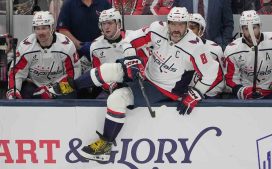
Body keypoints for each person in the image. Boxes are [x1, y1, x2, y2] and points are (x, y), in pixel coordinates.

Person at [52, 7, 220, 162]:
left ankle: (106, 144)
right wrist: (131, 57)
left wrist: (197, 93)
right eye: (173, 24)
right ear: (168, 23)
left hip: (165, 90)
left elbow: (212, 71)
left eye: (181, 25)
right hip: (146, 75)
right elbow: (129, 39)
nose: (176, 29)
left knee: (117, 98)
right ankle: (71, 86)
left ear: (186, 26)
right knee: (112, 69)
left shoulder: (196, 46)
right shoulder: (157, 28)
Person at [69, 8, 149, 98]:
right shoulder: (95, 46)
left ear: (118, 24)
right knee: (102, 101)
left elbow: (145, 65)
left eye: (110, 23)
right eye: (103, 23)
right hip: (110, 89)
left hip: (137, 85)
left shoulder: (134, 38)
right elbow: (97, 74)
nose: (106, 27)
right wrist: (111, 86)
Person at [224, 10, 272, 100]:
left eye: (254, 27)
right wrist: (241, 91)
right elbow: (230, 78)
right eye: (246, 29)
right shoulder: (232, 49)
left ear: (260, 27)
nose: (251, 32)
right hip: (246, 91)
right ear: (241, 30)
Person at [6, 11, 81, 99]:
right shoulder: (26, 47)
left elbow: (73, 75)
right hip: (35, 85)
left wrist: (53, 90)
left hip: (59, 86)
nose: (40, 32)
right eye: (37, 28)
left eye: (44, 28)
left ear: (52, 28)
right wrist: (13, 91)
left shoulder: (66, 46)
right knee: (21, 93)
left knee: (71, 93)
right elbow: (16, 72)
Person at [56, 0, 111, 98]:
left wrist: (96, 47)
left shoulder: (104, 4)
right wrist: (80, 46)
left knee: (101, 89)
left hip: (101, 55)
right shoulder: (68, 4)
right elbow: (62, 30)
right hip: (76, 57)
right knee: (76, 89)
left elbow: (113, 27)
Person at [188, 13, 225, 98]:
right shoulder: (176, 47)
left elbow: (220, 79)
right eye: (186, 28)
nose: (188, 31)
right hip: (184, 94)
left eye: (192, 28)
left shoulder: (215, 50)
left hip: (208, 95)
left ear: (201, 30)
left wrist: (199, 92)